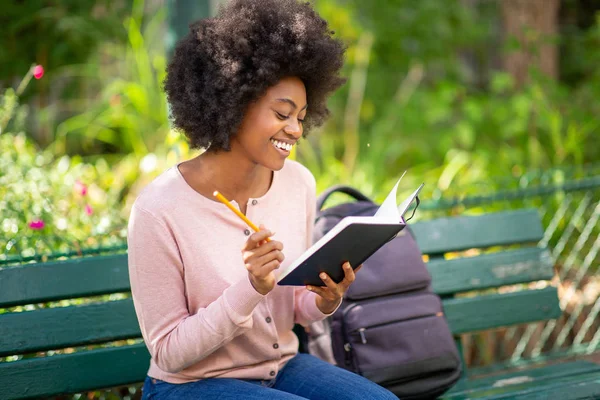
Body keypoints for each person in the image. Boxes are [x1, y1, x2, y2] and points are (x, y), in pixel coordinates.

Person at [127, 0, 397, 398]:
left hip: (281, 369)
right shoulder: (159, 209)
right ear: (234, 102)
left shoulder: (298, 183)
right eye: (282, 113)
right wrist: (251, 287)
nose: (294, 130)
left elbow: (295, 309)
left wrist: (324, 299)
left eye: (301, 117)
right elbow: (168, 352)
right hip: (190, 386)